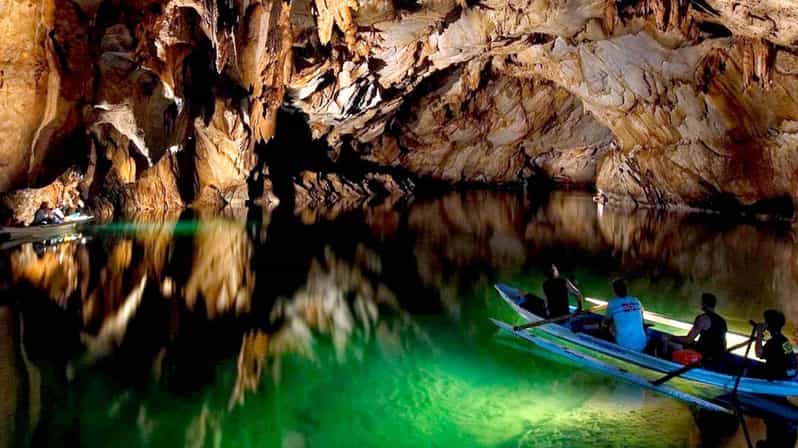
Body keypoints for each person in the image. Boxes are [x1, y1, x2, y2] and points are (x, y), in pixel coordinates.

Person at [665, 293, 727, 360]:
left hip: (702, 356)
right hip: (718, 356)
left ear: (704, 303)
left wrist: (670, 337)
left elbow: (688, 340)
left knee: (665, 340)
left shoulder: (703, 318)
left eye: (701, 302)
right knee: (692, 343)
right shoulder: (722, 321)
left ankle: (665, 359)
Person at [604, 278, 647, 352]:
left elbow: (606, 321)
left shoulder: (612, 303)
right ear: (627, 289)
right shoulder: (636, 300)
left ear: (614, 291)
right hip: (642, 344)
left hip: (623, 346)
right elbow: (642, 318)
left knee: (610, 327)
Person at [754, 309, 797, 380]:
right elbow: (791, 357)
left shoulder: (773, 342)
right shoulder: (784, 340)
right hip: (785, 376)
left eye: (765, 322)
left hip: (775, 377)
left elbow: (758, 353)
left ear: (769, 325)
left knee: (754, 369)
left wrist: (759, 333)